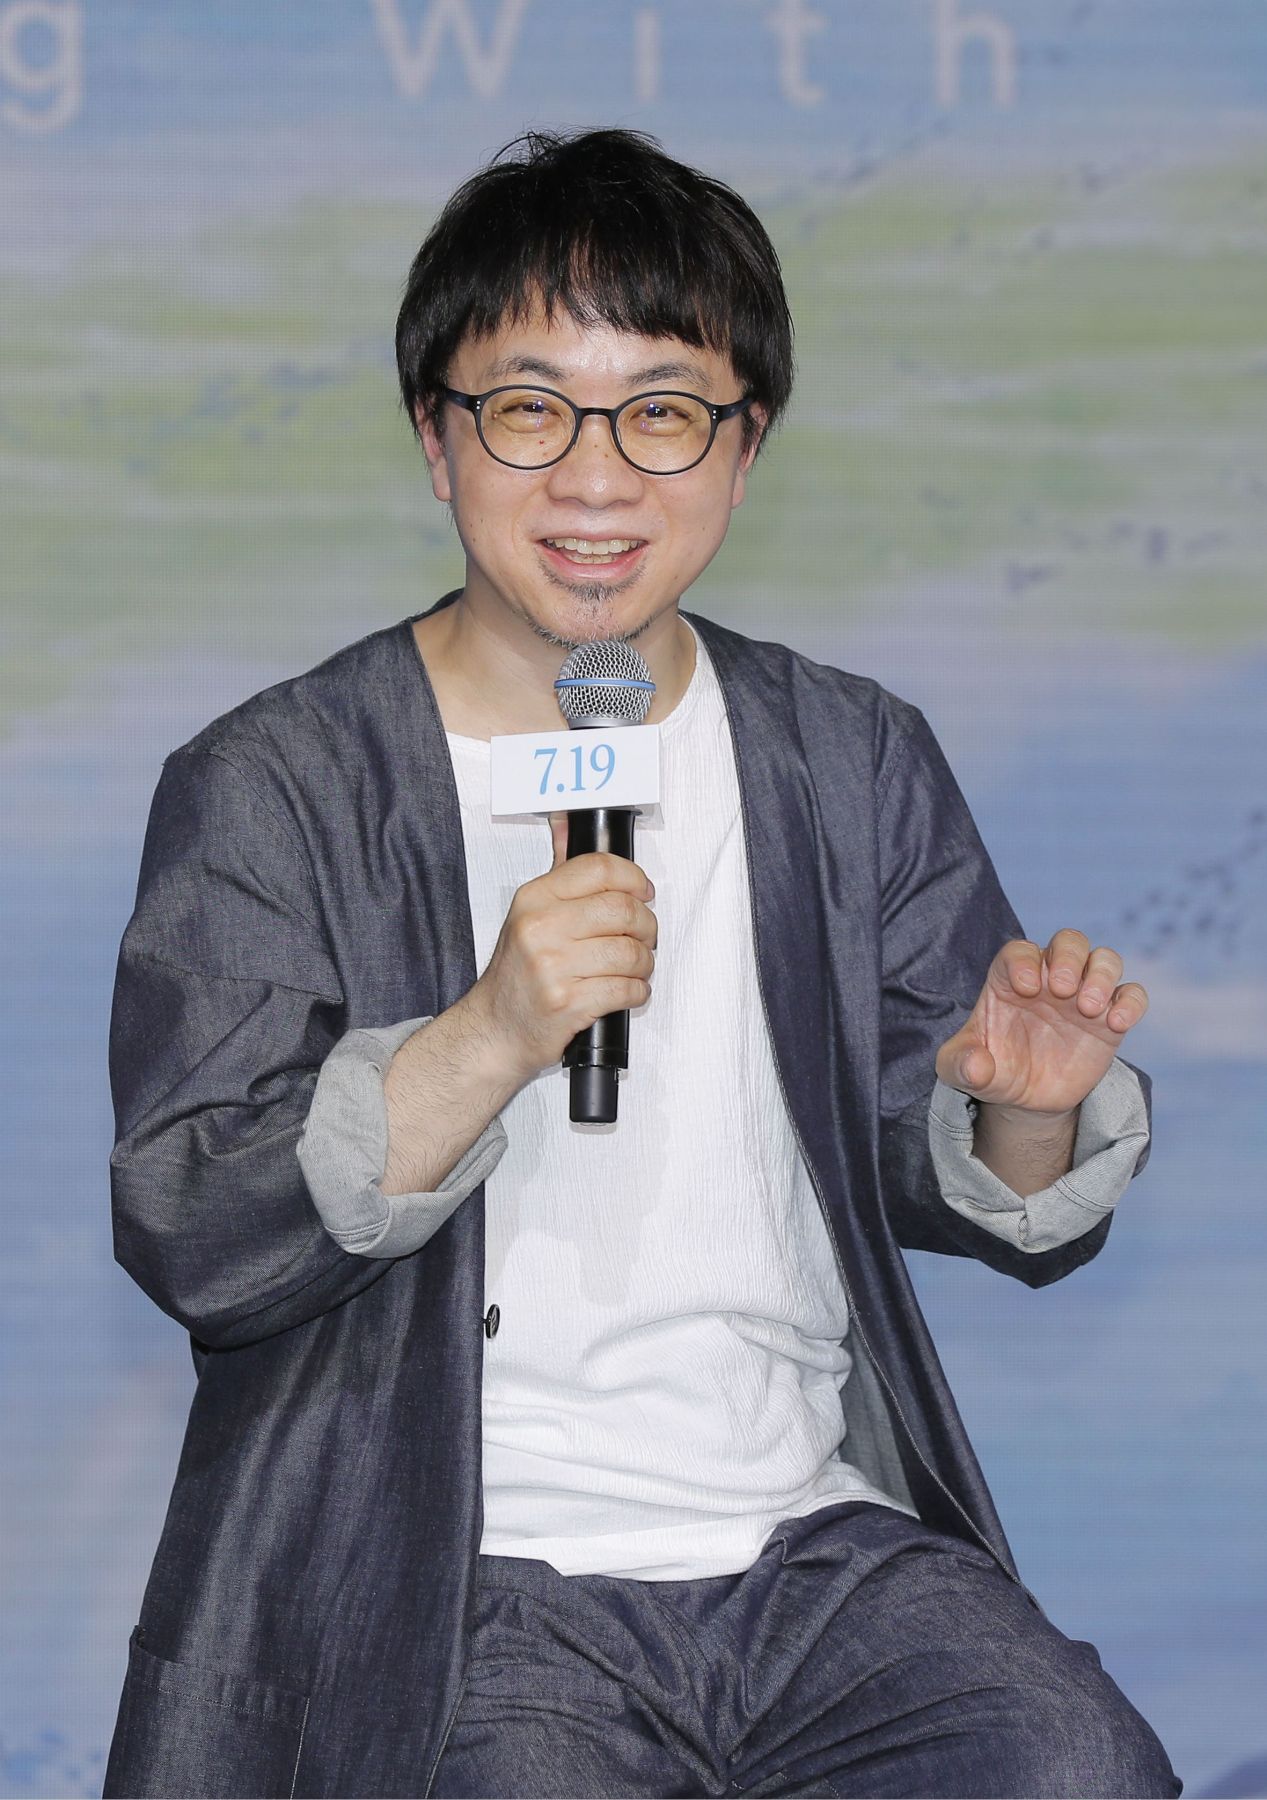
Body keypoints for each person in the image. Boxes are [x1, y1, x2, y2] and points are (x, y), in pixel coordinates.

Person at [103, 128, 1180, 1799]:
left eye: (665, 413)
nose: (596, 482)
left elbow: (935, 1156)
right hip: (456, 1573)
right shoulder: (277, 782)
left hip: (806, 1548)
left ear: (746, 451)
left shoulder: (845, 756)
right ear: (434, 439)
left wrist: (1023, 1114)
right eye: (530, 411)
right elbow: (194, 1220)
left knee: (1072, 1764)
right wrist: (495, 1029)